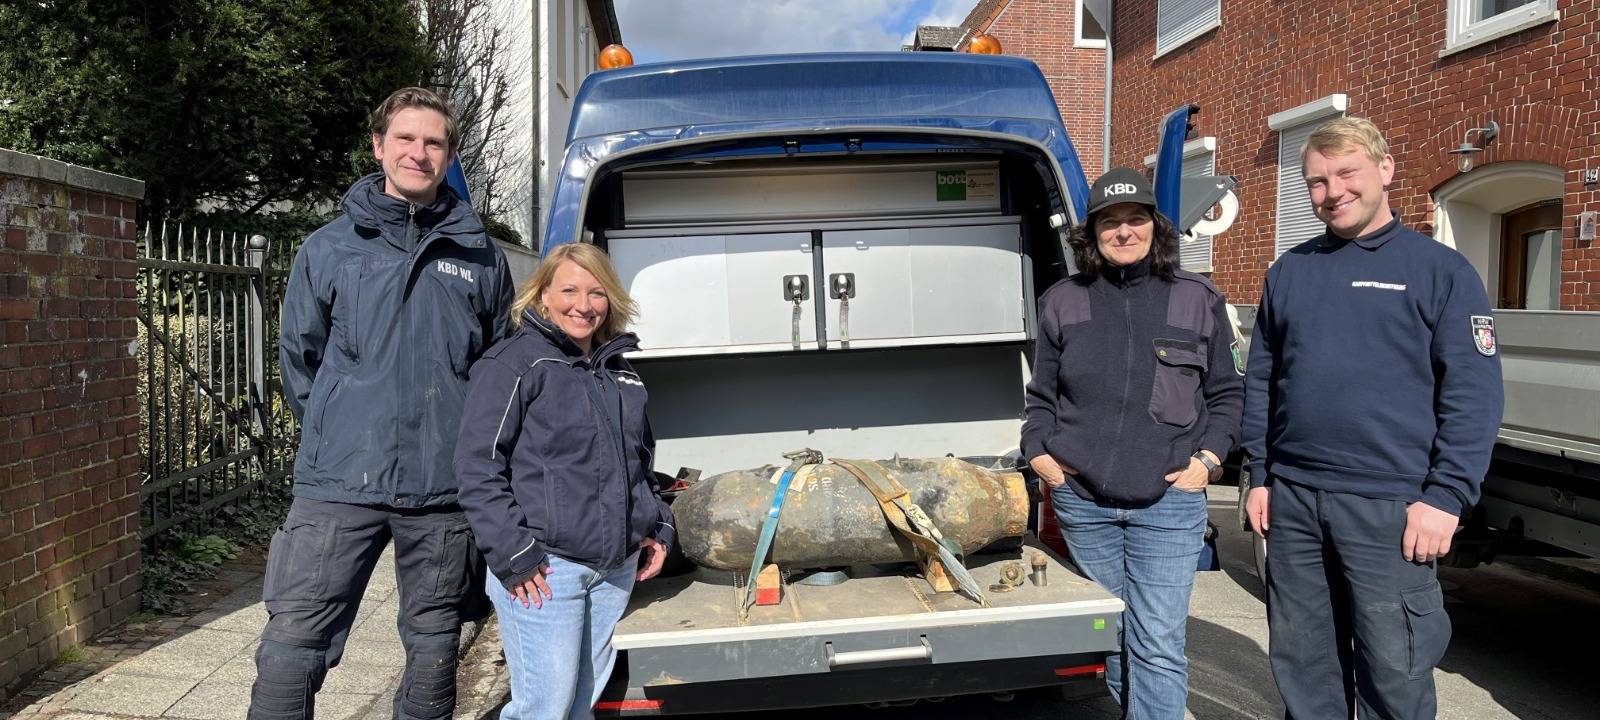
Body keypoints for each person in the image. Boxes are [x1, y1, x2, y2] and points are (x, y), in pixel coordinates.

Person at [251, 87, 515, 720]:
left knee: (433, 650)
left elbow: (497, 369)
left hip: (443, 488)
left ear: (449, 155)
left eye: (433, 142)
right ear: (378, 146)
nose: (418, 153)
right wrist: (345, 425)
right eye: (405, 139)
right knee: (293, 643)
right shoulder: (329, 248)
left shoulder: (480, 256)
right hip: (339, 482)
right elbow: (301, 359)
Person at [1242, 117, 1504, 719]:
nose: (1332, 191)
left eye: (1346, 173)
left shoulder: (1441, 272)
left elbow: (1474, 395)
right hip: (1296, 500)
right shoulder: (1290, 272)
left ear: (1385, 171)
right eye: (1316, 181)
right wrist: (1260, 476)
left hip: (1391, 506)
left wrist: (1446, 496)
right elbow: (1262, 380)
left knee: (1395, 670)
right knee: (1304, 667)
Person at [1023, 167, 1244, 719]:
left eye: (1135, 219)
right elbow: (1041, 399)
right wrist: (1044, 460)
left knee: (1159, 645)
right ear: (1092, 234)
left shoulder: (1196, 298)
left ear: (1155, 227)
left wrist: (1209, 461)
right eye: (1110, 222)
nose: (1124, 232)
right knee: (1114, 638)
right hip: (1084, 503)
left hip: (1170, 502)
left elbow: (1227, 394)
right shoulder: (1061, 302)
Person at [454, 242, 675, 720]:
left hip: (613, 569)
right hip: (547, 571)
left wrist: (658, 528)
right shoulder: (515, 364)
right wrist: (515, 555)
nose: (584, 304)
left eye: (597, 293)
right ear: (543, 295)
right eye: (570, 289)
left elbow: (639, 462)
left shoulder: (621, 373)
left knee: (580, 706)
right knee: (544, 708)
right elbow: (477, 467)